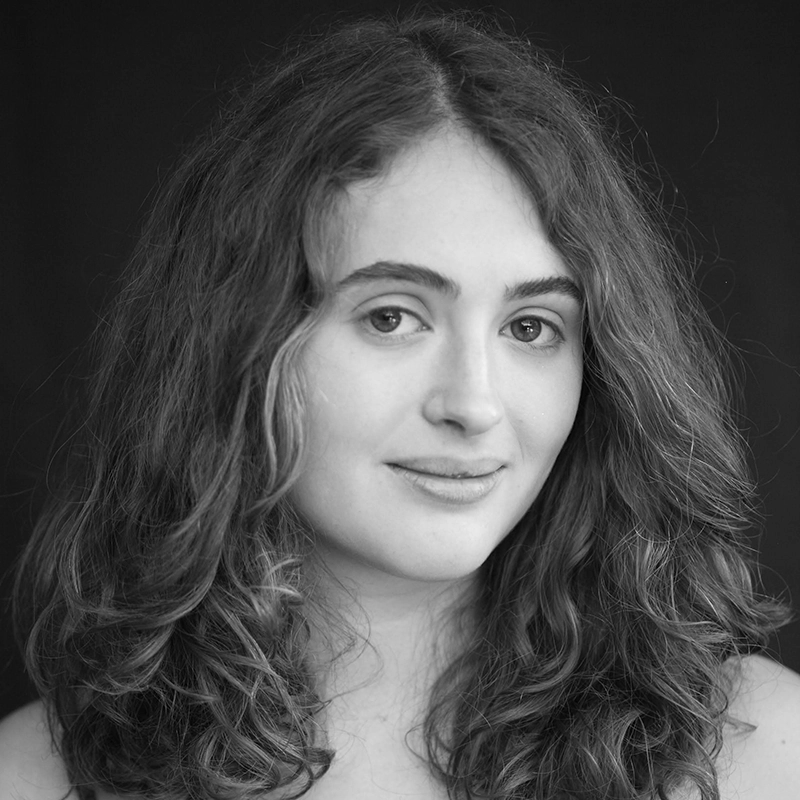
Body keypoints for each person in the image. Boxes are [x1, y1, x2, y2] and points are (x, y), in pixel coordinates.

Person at [1, 11, 798, 800]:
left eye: (531, 326)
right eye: (392, 317)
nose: (474, 405)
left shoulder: (768, 756)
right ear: (230, 341)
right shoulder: (31, 780)